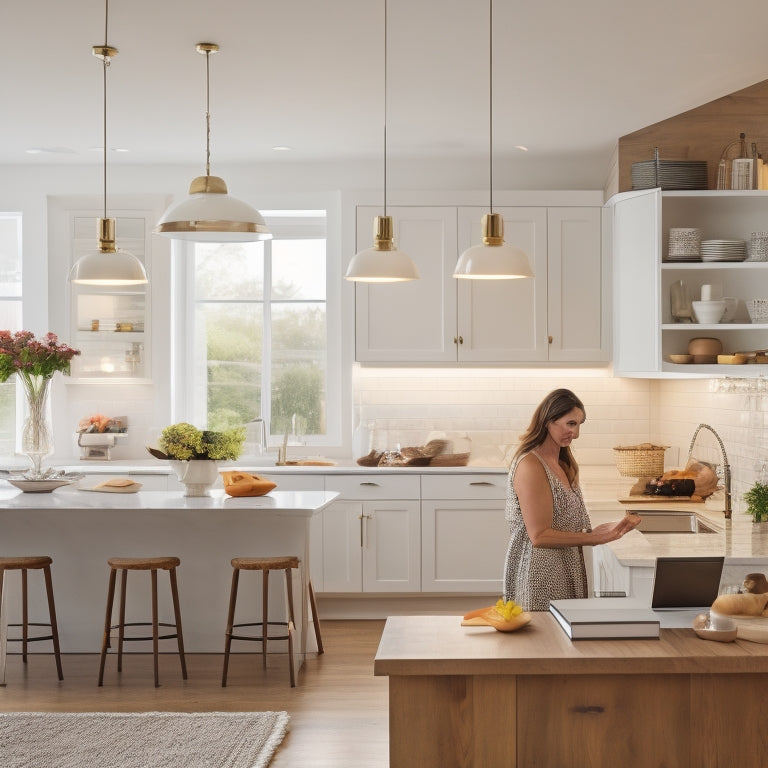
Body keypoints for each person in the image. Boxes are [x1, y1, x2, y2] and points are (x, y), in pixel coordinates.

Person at [503, 388, 640, 611]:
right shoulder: (531, 465)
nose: (575, 434)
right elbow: (539, 536)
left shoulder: (563, 463)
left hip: (566, 567)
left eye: (579, 424)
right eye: (570, 424)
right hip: (539, 573)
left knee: (565, 642)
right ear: (549, 420)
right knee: (546, 643)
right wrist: (595, 538)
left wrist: (599, 530)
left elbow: (563, 524)